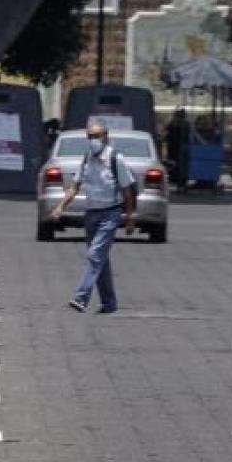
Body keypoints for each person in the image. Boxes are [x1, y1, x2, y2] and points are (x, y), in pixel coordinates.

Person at [51, 117, 136, 315]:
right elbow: (75, 186)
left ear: (106, 137)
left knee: (94, 255)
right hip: (91, 214)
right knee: (100, 259)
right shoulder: (87, 158)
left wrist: (129, 218)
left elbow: (127, 192)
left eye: (96, 136)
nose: (92, 140)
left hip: (110, 213)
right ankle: (109, 302)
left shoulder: (116, 159)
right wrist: (60, 207)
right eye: (89, 137)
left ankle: (81, 297)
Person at [164, 107, 191, 191]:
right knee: (177, 167)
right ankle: (180, 183)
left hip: (179, 148)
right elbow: (167, 135)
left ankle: (180, 184)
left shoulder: (184, 124)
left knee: (179, 167)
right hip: (175, 148)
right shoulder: (173, 124)